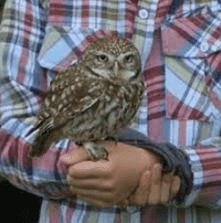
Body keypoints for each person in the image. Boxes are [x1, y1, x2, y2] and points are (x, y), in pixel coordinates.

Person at [0, 0, 221, 222]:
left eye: (126, 62)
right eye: (103, 61)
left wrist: (177, 168)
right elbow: (7, 127)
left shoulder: (135, 86)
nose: (116, 70)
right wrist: (84, 163)